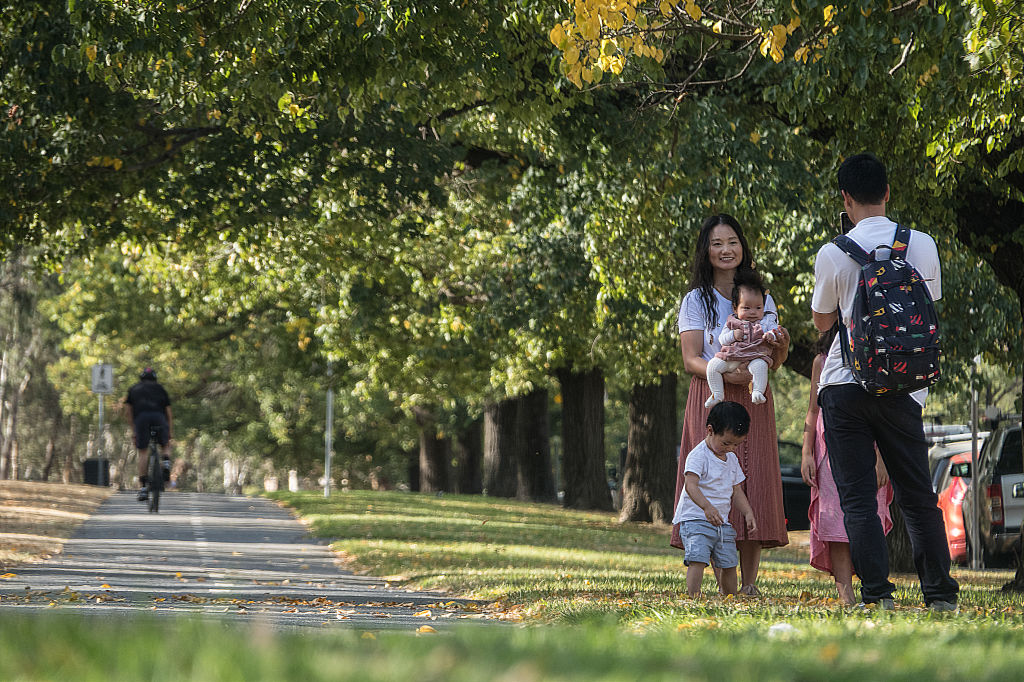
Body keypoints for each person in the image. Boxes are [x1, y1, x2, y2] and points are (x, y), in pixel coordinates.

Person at [811, 152, 959, 610]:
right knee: (917, 495)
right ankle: (939, 595)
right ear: (888, 192)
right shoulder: (922, 244)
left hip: (844, 383)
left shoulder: (834, 252)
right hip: (903, 386)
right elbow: (927, 305)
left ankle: (877, 595)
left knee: (857, 497)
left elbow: (821, 323)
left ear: (846, 198)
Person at [671, 214, 791, 596]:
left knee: (752, 483)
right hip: (711, 396)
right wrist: (725, 376)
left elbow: (775, 355)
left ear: (743, 247)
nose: (726, 250)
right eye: (717, 243)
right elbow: (691, 358)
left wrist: (780, 349)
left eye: (733, 241)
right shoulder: (695, 300)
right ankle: (707, 575)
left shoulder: (762, 295)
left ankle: (749, 584)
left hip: (754, 398)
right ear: (706, 251)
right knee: (710, 479)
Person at [800, 323, 894, 605]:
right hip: (827, 449)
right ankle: (845, 595)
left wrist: (881, 457)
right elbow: (813, 409)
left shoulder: (875, 356)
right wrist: (807, 453)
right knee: (834, 520)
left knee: (867, 516)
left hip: (869, 447)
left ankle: (873, 588)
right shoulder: (822, 361)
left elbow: (882, 412)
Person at [674, 401, 758, 597]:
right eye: (726, 443)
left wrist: (747, 512)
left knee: (729, 562)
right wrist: (706, 507)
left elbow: (736, 490)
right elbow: (691, 485)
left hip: (721, 523)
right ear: (710, 430)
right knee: (698, 559)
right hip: (695, 519)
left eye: (736, 444)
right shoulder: (698, 455)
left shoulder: (731, 459)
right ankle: (694, 596)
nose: (730, 448)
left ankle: (730, 597)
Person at [705, 268, 779, 409]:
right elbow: (722, 339)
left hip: (754, 356)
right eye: (746, 308)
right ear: (735, 308)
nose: (753, 312)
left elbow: (775, 330)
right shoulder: (732, 322)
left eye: (758, 308)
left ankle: (757, 392)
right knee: (712, 366)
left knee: (761, 366)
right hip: (731, 357)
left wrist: (771, 335)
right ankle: (717, 394)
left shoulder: (765, 321)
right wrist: (733, 335)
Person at [125, 367, 173, 501]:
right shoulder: (161, 389)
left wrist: (134, 429)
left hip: (141, 419)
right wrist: (169, 431)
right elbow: (168, 412)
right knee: (165, 444)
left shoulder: (134, 389)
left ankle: (144, 488)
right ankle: (166, 463)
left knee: (143, 452)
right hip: (159, 417)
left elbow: (128, 411)